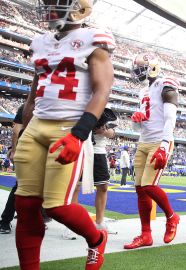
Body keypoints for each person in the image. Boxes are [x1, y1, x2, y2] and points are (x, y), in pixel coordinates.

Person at [13, 1, 114, 268]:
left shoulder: (93, 39)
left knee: (56, 206)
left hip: (68, 126)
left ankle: (96, 239)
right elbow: (33, 94)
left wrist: (78, 135)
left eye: (55, 1)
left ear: (78, 7)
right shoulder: (39, 42)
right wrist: (23, 130)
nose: (48, 6)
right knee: (25, 206)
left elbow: (102, 91)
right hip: (37, 126)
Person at [124, 53, 180, 249]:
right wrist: (136, 120)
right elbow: (138, 129)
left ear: (152, 67)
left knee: (148, 186)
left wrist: (164, 145)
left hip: (159, 141)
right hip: (144, 141)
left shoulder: (165, 83)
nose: (137, 71)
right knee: (140, 190)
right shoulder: (142, 91)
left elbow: (170, 118)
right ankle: (145, 235)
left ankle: (172, 217)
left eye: (140, 68)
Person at [71, 108, 117, 234]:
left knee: (103, 186)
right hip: (81, 149)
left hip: (99, 151)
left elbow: (113, 133)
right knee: (75, 187)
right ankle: (72, 223)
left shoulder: (103, 109)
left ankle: (100, 221)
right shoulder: (80, 105)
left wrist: (104, 131)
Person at [0, 104, 24, 234]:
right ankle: (6, 221)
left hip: (22, 150)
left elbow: (16, 130)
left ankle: (5, 221)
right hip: (36, 150)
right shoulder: (45, 105)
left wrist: (14, 150)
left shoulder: (24, 107)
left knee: (20, 186)